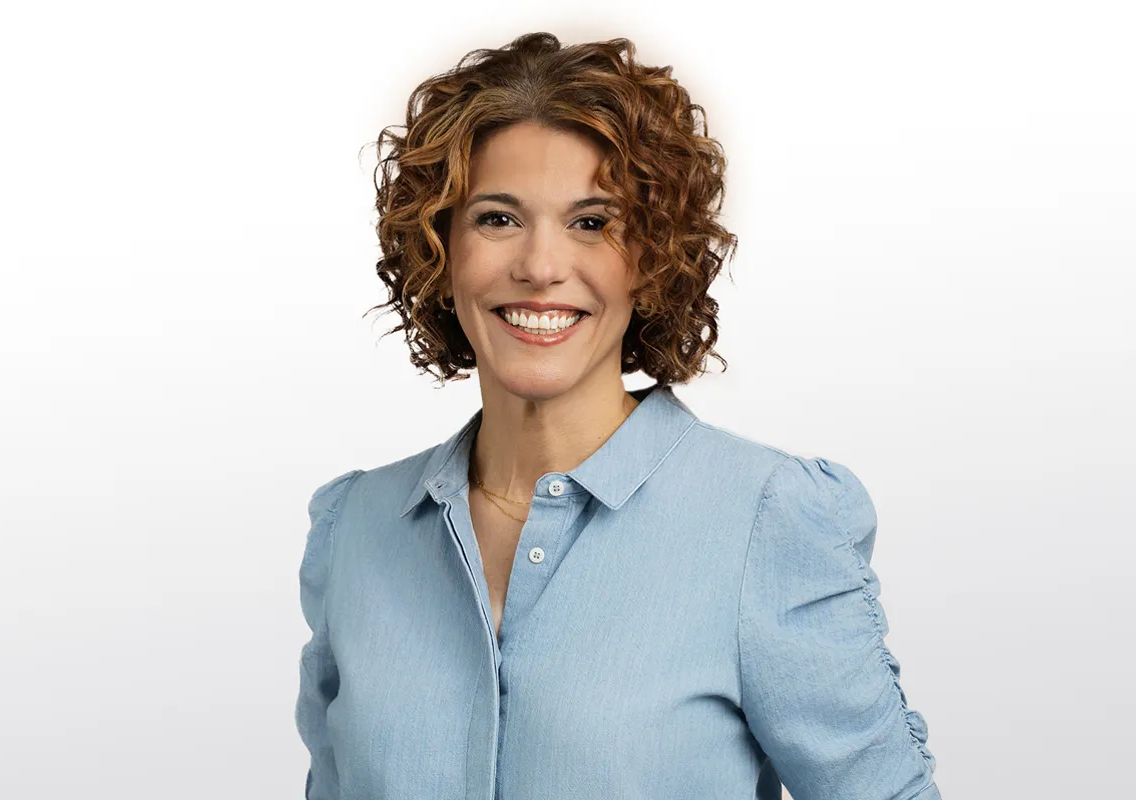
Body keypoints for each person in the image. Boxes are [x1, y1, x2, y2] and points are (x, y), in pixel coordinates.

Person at [295, 32, 941, 800]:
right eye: (497, 219)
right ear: (440, 248)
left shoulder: (766, 520)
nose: (539, 266)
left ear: (655, 256)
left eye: (592, 222)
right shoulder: (357, 530)